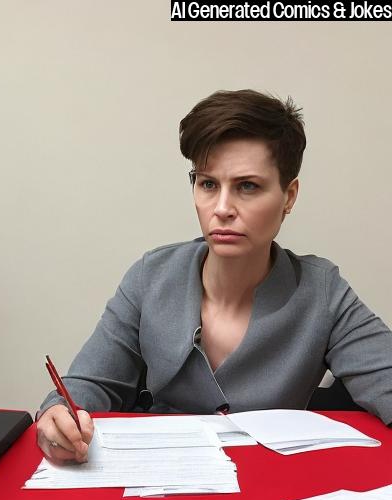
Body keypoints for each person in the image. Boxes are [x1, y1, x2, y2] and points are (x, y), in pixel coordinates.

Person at [37, 89, 392, 463]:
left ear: (289, 196)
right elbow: (85, 386)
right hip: (156, 485)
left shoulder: (322, 291)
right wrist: (57, 418)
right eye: (208, 184)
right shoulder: (151, 276)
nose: (222, 209)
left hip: (274, 493)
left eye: (247, 186)